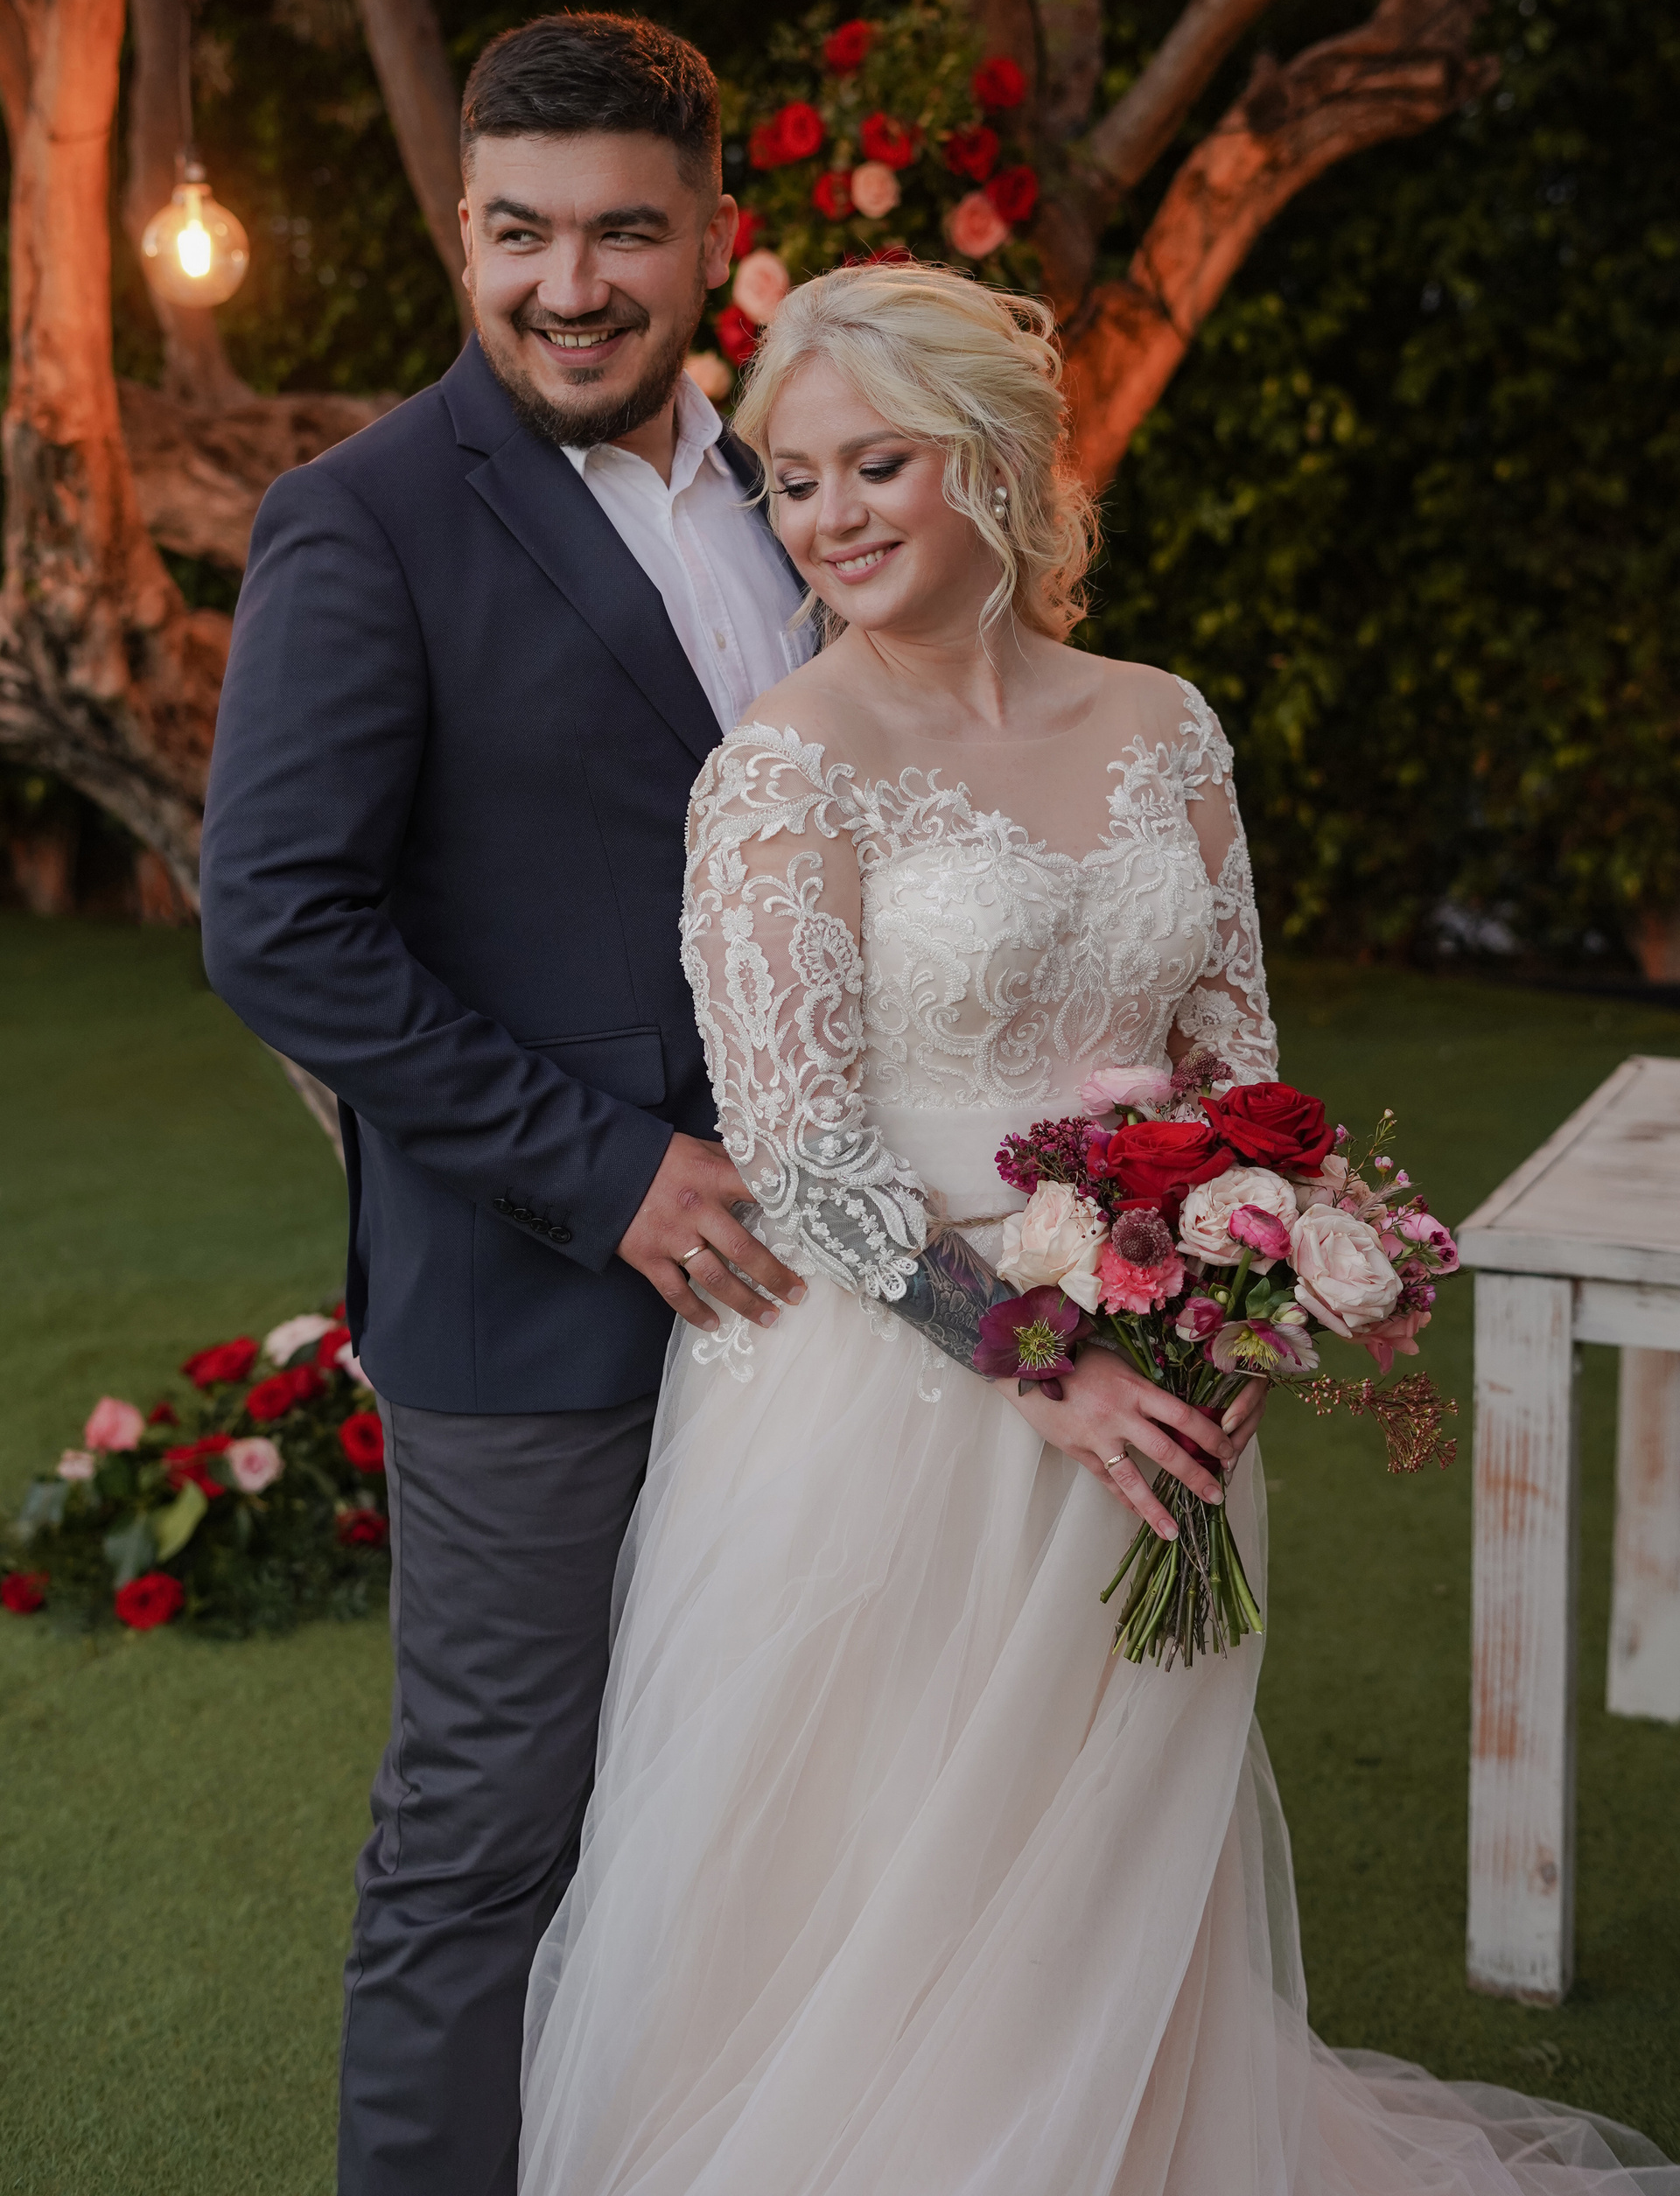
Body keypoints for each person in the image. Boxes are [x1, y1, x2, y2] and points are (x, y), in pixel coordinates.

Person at [517, 263, 1679, 2195]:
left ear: (991, 459)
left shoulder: (1166, 724)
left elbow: (1238, 1067)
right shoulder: (784, 766)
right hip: (895, 1406)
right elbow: (802, 1153)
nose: (830, 518)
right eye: (793, 482)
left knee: (1119, 1839)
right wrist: (1042, 1364)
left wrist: (1249, 1289)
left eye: (876, 464)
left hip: (1167, 1369)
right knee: (906, 1854)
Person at [199, 12, 814, 2196]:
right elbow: (279, 926)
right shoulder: (361, 521)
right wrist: (606, 1167)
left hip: (825, 1294)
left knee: (755, 1803)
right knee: (485, 1834)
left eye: (624, 233)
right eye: (523, 234)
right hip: (536, 1301)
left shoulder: (800, 492)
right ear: (463, 235)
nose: (572, 286)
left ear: (713, 235)